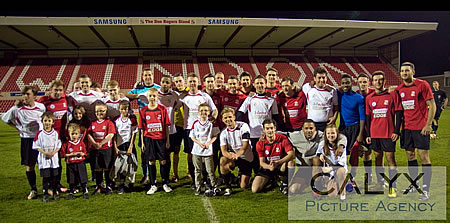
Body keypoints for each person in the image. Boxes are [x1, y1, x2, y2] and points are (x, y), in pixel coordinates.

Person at [396, 62, 436, 201]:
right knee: (410, 156)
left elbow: (432, 104)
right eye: (402, 71)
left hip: (421, 127)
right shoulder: (400, 88)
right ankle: (414, 184)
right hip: (406, 128)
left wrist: (428, 124)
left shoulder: (422, 84)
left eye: (407, 70)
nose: (404, 72)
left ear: (413, 71)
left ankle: (425, 190)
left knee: (424, 157)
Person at [2, 85, 46, 200]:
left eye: (28, 94)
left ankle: (48, 188)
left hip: (40, 139)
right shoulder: (17, 108)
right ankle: (33, 189)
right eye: (24, 94)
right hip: (27, 140)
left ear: (34, 96)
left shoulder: (41, 107)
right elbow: (5, 119)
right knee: (30, 166)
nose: (25, 96)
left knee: (44, 164)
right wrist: (17, 128)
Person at [365, 71, 403, 198]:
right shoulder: (369, 98)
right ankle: (380, 183)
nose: (378, 82)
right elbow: (368, 117)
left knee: (390, 159)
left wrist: (397, 131)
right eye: (375, 80)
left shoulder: (391, 95)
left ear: (384, 81)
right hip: (375, 134)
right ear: (372, 82)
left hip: (388, 133)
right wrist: (369, 134)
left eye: (380, 80)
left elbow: (398, 114)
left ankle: (393, 187)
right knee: (377, 158)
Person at [179, 73, 218, 189]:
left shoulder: (204, 96)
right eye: (190, 81)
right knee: (192, 155)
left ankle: (206, 179)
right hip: (189, 129)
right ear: (187, 83)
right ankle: (194, 180)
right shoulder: (184, 97)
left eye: (194, 81)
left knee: (206, 155)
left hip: (204, 130)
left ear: (198, 83)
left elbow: (214, 110)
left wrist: (213, 118)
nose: (192, 84)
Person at [287, 119, 346, 194]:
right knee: (293, 190)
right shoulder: (295, 136)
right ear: (302, 129)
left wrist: (341, 146)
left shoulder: (321, 135)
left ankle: (318, 184)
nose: (309, 131)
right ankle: (308, 183)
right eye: (306, 128)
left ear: (315, 128)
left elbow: (340, 136)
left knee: (316, 159)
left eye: (311, 128)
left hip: (318, 168)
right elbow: (282, 134)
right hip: (304, 168)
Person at [236, 75, 279, 175]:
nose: (260, 85)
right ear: (254, 85)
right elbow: (240, 114)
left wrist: (274, 132)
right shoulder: (249, 99)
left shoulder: (271, 100)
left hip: (267, 134)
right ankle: (257, 174)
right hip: (254, 134)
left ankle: (270, 176)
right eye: (258, 83)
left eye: (262, 83)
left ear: (265, 84)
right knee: (255, 156)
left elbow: (276, 118)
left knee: (269, 155)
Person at [126, 68, 161, 185]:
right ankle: (146, 175)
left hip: (157, 125)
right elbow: (125, 95)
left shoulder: (158, 88)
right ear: (142, 77)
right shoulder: (138, 89)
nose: (148, 77)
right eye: (145, 75)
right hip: (144, 125)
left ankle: (157, 175)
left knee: (158, 151)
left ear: (153, 76)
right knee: (144, 150)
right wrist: (138, 94)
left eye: (149, 75)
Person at [37, 80, 69, 193]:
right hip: (47, 137)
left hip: (60, 136)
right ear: (51, 89)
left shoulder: (66, 99)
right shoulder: (43, 101)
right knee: (47, 161)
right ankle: (49, 186)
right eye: (56, 90)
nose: (58, 92)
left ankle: (57, 183)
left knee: (58, 162)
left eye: (60, 90)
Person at [139, 88, 172, 195]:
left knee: (163, 161)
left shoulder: (162, 109)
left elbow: (166, 126)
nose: (152, 98)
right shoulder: (143, 111)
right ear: (147, 97)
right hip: (149, 140)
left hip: (161, 139)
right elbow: (142, 128)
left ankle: (165, 183)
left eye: (154, 96)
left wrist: (167, 140)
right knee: (151, 161)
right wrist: (143, 142)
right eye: (150, 96)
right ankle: (153, 184)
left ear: (157, 97)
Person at [252, 119, 294, 195]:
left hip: (280, 165)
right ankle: (272, 180)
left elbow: (291, 154)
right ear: (264, 129)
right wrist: (269, 167)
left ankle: (284, 185)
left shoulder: (282, 138)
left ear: (275, 128)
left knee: (291, 163)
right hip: (268, 167)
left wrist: (278, 162)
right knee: (255, 189)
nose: (270, 130)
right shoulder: (260, 143)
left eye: (271, 128)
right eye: (267, 128)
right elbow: (261, 162)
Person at [337, 74, 365, 185]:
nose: (345, 85)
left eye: (347, 83)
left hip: (355, 128)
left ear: (352, 83)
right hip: (343, 128)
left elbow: (362, 117)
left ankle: (352, 178)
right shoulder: (339, 95)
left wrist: (361, 133)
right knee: (341, 153)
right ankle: (340, 176)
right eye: (343, 83)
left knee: (354, 155)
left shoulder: (359, 98)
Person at [219, 108, 254, 196]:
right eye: (225, 118)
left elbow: (245, 146)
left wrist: (236, 155)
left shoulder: (243, 126)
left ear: (234, 117)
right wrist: (230, 156)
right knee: (223, 161)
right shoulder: (223, 133)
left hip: (246, 158)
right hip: (234, 157)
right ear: (223, 120)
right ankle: (228, 187)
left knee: (243, 186)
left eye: (230, 117)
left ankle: (234, 178)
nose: (228, 120)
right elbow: (223, 151)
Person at [190, 103, 221, 196]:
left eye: (206, 110)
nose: (203, 112)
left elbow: (215, 135)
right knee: (197, 170)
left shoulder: (212, 123)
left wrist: (208, 143)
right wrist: (199, 143)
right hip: (196, 150)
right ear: (198, 112)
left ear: (209, 112)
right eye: (201, 110)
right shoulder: (195, 123)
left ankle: (214, 186)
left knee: (210, 170)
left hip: (208, 150)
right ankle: (198, 187)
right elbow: (192, 136)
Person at [87, 102, 116, 195]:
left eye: (102, 111)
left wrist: (101, 143)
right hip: (95, 149)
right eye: (97, 111)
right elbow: (88, 134)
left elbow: (110, 134)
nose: (99, 113)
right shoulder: (93, 123)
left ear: (106, 111)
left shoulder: (109, 123)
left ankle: (109, 185)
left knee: (107, 168)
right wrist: (94, 144)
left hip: (106, 149)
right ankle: (99, 186)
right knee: (97, 168)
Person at [32, 112, 62, 202]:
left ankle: (54, 192)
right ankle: (45, 194)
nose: (47, 123)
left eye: (49, 121)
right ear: (42, 122)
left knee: (54, 177)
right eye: (45, 121)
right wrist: (45, 153)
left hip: (54, 159)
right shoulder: (39, 134)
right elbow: (36, 146)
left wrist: (53, 152)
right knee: (46, 178)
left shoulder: (55, 133)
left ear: (53, 122)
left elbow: (59, 145)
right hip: (44, 159)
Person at [316, 124, 348, 201]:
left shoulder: (341, 146)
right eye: (328, 133)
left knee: (341, 171)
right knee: (332, 195)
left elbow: (341, 164)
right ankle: (341, 182)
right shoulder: (322, 144)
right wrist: (320, 155)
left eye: (333, 133)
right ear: (325, 134)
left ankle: (343, 193)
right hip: (331, 173)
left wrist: (329, 169)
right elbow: (318, 152)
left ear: (337, 133)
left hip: (339, 169)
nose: (331, 135)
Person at [113, 100, 138, 194]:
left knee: (131, 164)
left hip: (128, 144)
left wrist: (131, 146)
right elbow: (114, 134)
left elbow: (134, 133)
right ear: (119, 109)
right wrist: (115, 147)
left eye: (126, 109)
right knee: (120, 166)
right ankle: (121, 184)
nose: (124, 111)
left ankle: (131, 184)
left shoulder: (132, 119)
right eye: (122, 109)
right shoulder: (116, 120)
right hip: (120, 145)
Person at [302, 67, 339, 132]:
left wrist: (334, 118)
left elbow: (336, 106)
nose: (321, 80)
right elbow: (297, 88)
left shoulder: (332, 91)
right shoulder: (307, 88)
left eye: (323, 77)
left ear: (326, 78)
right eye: (319, 78)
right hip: (312, 124)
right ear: (314, 78)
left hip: (327, 124)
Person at [61, 123, 89, 200]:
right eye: (72, 134)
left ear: (79, 134)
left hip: (80, 163)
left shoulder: (81, 143)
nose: (74, 136)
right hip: (71, 164)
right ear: (69, 134)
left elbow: (85, 152)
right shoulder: (66, 144)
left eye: (76, 134)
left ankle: (85, 190)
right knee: (71, 178)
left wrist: (82, 154)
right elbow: (63, 154)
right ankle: (71, 192)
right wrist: (71, 155)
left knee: (82, 177)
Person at [355, 73, 375, 185]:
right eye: (360, 82)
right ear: (357, 84)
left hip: (373, 128)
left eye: (364, 82)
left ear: (369, 83)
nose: (362, 84)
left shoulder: (373, 93)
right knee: (358, 153)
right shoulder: (356, 95)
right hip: (359, 128)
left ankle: (370, 177)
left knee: (370, 153)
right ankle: (353, 178)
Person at [172, 73, 189, 182]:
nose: (179, 83)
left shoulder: (189, 91)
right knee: (176, 150)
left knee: (189, 151)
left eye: (180, 81)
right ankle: (175, 174)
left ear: (184, 81)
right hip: (177, 125)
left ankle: (189, 171)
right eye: (176, 81)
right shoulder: (172, 94)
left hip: (188, 126)